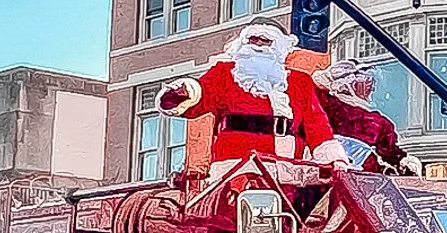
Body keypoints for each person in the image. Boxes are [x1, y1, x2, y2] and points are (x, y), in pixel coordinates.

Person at [159, 24, 349, 176]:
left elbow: (317, 124)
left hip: (288, 171)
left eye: (264, 41)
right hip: (237, 171)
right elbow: (199, 96)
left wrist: (332, 158)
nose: (257, 45)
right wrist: (182, 92)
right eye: (253, 40)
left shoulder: (300, 82)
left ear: (278, 47)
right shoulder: (224, 74)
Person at [311, 56, 423, 174]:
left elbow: (390, 152)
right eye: (366, 83)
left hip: (362, 178)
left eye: (370, 83)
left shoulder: (378, 122)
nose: (371, 88)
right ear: (351, 84)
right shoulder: (326, 105)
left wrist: (402, 160)